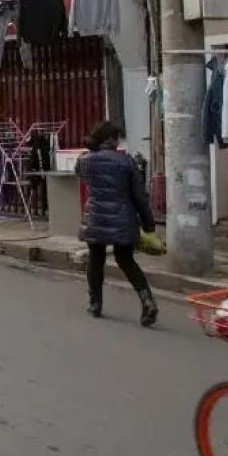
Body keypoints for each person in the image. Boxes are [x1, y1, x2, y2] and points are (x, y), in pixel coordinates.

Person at [74, 121, 158, 325]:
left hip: (96, 217)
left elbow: (81, 176)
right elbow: (139, 196)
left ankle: (95, 303)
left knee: (96, 259)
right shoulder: (126, 162)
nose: (119, 140)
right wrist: (148, 224)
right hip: (123, 218)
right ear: (111, 139)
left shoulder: (85, 160)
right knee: (126, 261)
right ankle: (147, 301)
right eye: (118, 137)